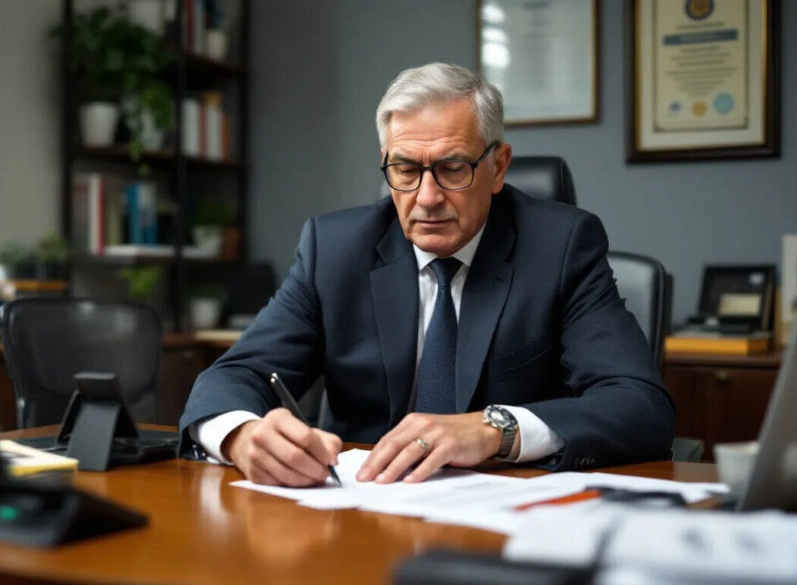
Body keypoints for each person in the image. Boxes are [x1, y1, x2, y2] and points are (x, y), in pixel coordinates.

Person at [178, 63, 674, 487]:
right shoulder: (333, 250)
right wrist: (241, 436)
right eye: (406, 170)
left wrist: (493, 429)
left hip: (506, 522)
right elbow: (233, 375)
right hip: (359, 515)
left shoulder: (561, 247)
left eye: (453, 168)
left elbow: (640, 406)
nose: (428, 196)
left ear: (499, 167)